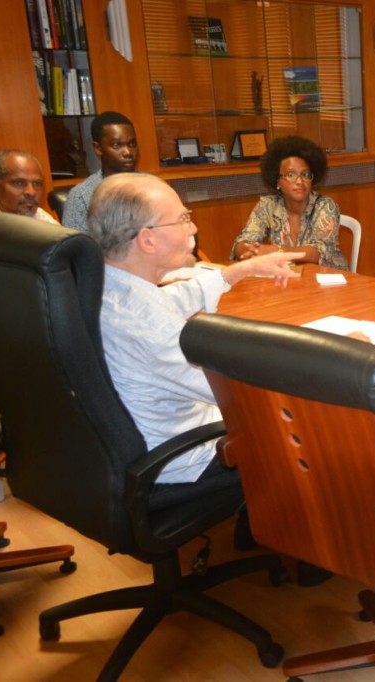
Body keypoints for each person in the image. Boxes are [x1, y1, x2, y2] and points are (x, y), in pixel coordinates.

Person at [87, 173, 295, 490]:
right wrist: (333, 359)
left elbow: (168, 300)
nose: (194, 228)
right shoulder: (149, 326)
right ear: (147, 239)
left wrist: (241, 270)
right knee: (307, 428)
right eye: (184, 219)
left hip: (122, 451)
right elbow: (237, 395)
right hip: (183, 458)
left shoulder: (103, 287)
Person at [230, 135, 347, 270]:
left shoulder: (325, 206)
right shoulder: (267, 206)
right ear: (277, 181)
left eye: (305, 175)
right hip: (288, 279)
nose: (299, 181)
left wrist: (275, 251)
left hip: (329, 280)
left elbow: (317, 252)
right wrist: (249, 251)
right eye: (291, 175)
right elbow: (242, 242)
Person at [64, 111, 139, 231]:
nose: (128, 152)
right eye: (116, 145)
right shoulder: (81, 196)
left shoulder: (154, 186)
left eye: (132, 144)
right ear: (98, 148)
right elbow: (75, 247)